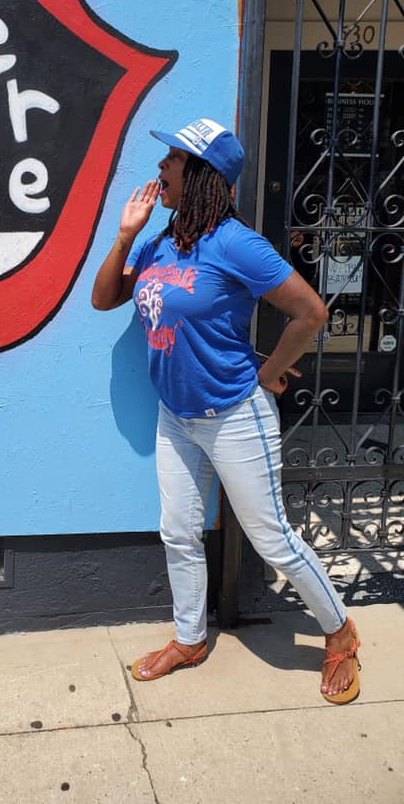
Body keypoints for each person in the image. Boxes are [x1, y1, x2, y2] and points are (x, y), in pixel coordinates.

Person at [91, 118, 361, 704]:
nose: (161, 167)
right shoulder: (160, 240)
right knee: (178, 531)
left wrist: (264, 377)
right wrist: (123, 237)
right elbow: (105, 297)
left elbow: (310, 313)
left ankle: (340, 634)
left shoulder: (236, 243)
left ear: (204, 175)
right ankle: (189, 638)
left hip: (235, 415)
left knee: (273, 540)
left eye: (174, 160)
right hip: (176, 418)